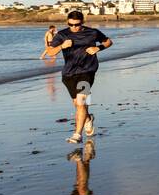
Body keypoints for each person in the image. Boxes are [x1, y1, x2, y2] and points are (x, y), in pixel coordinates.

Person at [45, 9, 112, 144]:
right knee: (77, 104)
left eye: (77, 24)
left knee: (82, 101)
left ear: (83, 22)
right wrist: (62, 46)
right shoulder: (62, 35)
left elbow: (108, 41)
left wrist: (98, 48)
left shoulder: (92, 33)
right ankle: (88, 119)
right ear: (67, 22)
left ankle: (77, 134)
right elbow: (50, 52)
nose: (74, 27)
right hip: (69, 73)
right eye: (71, 24)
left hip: (88, 71)